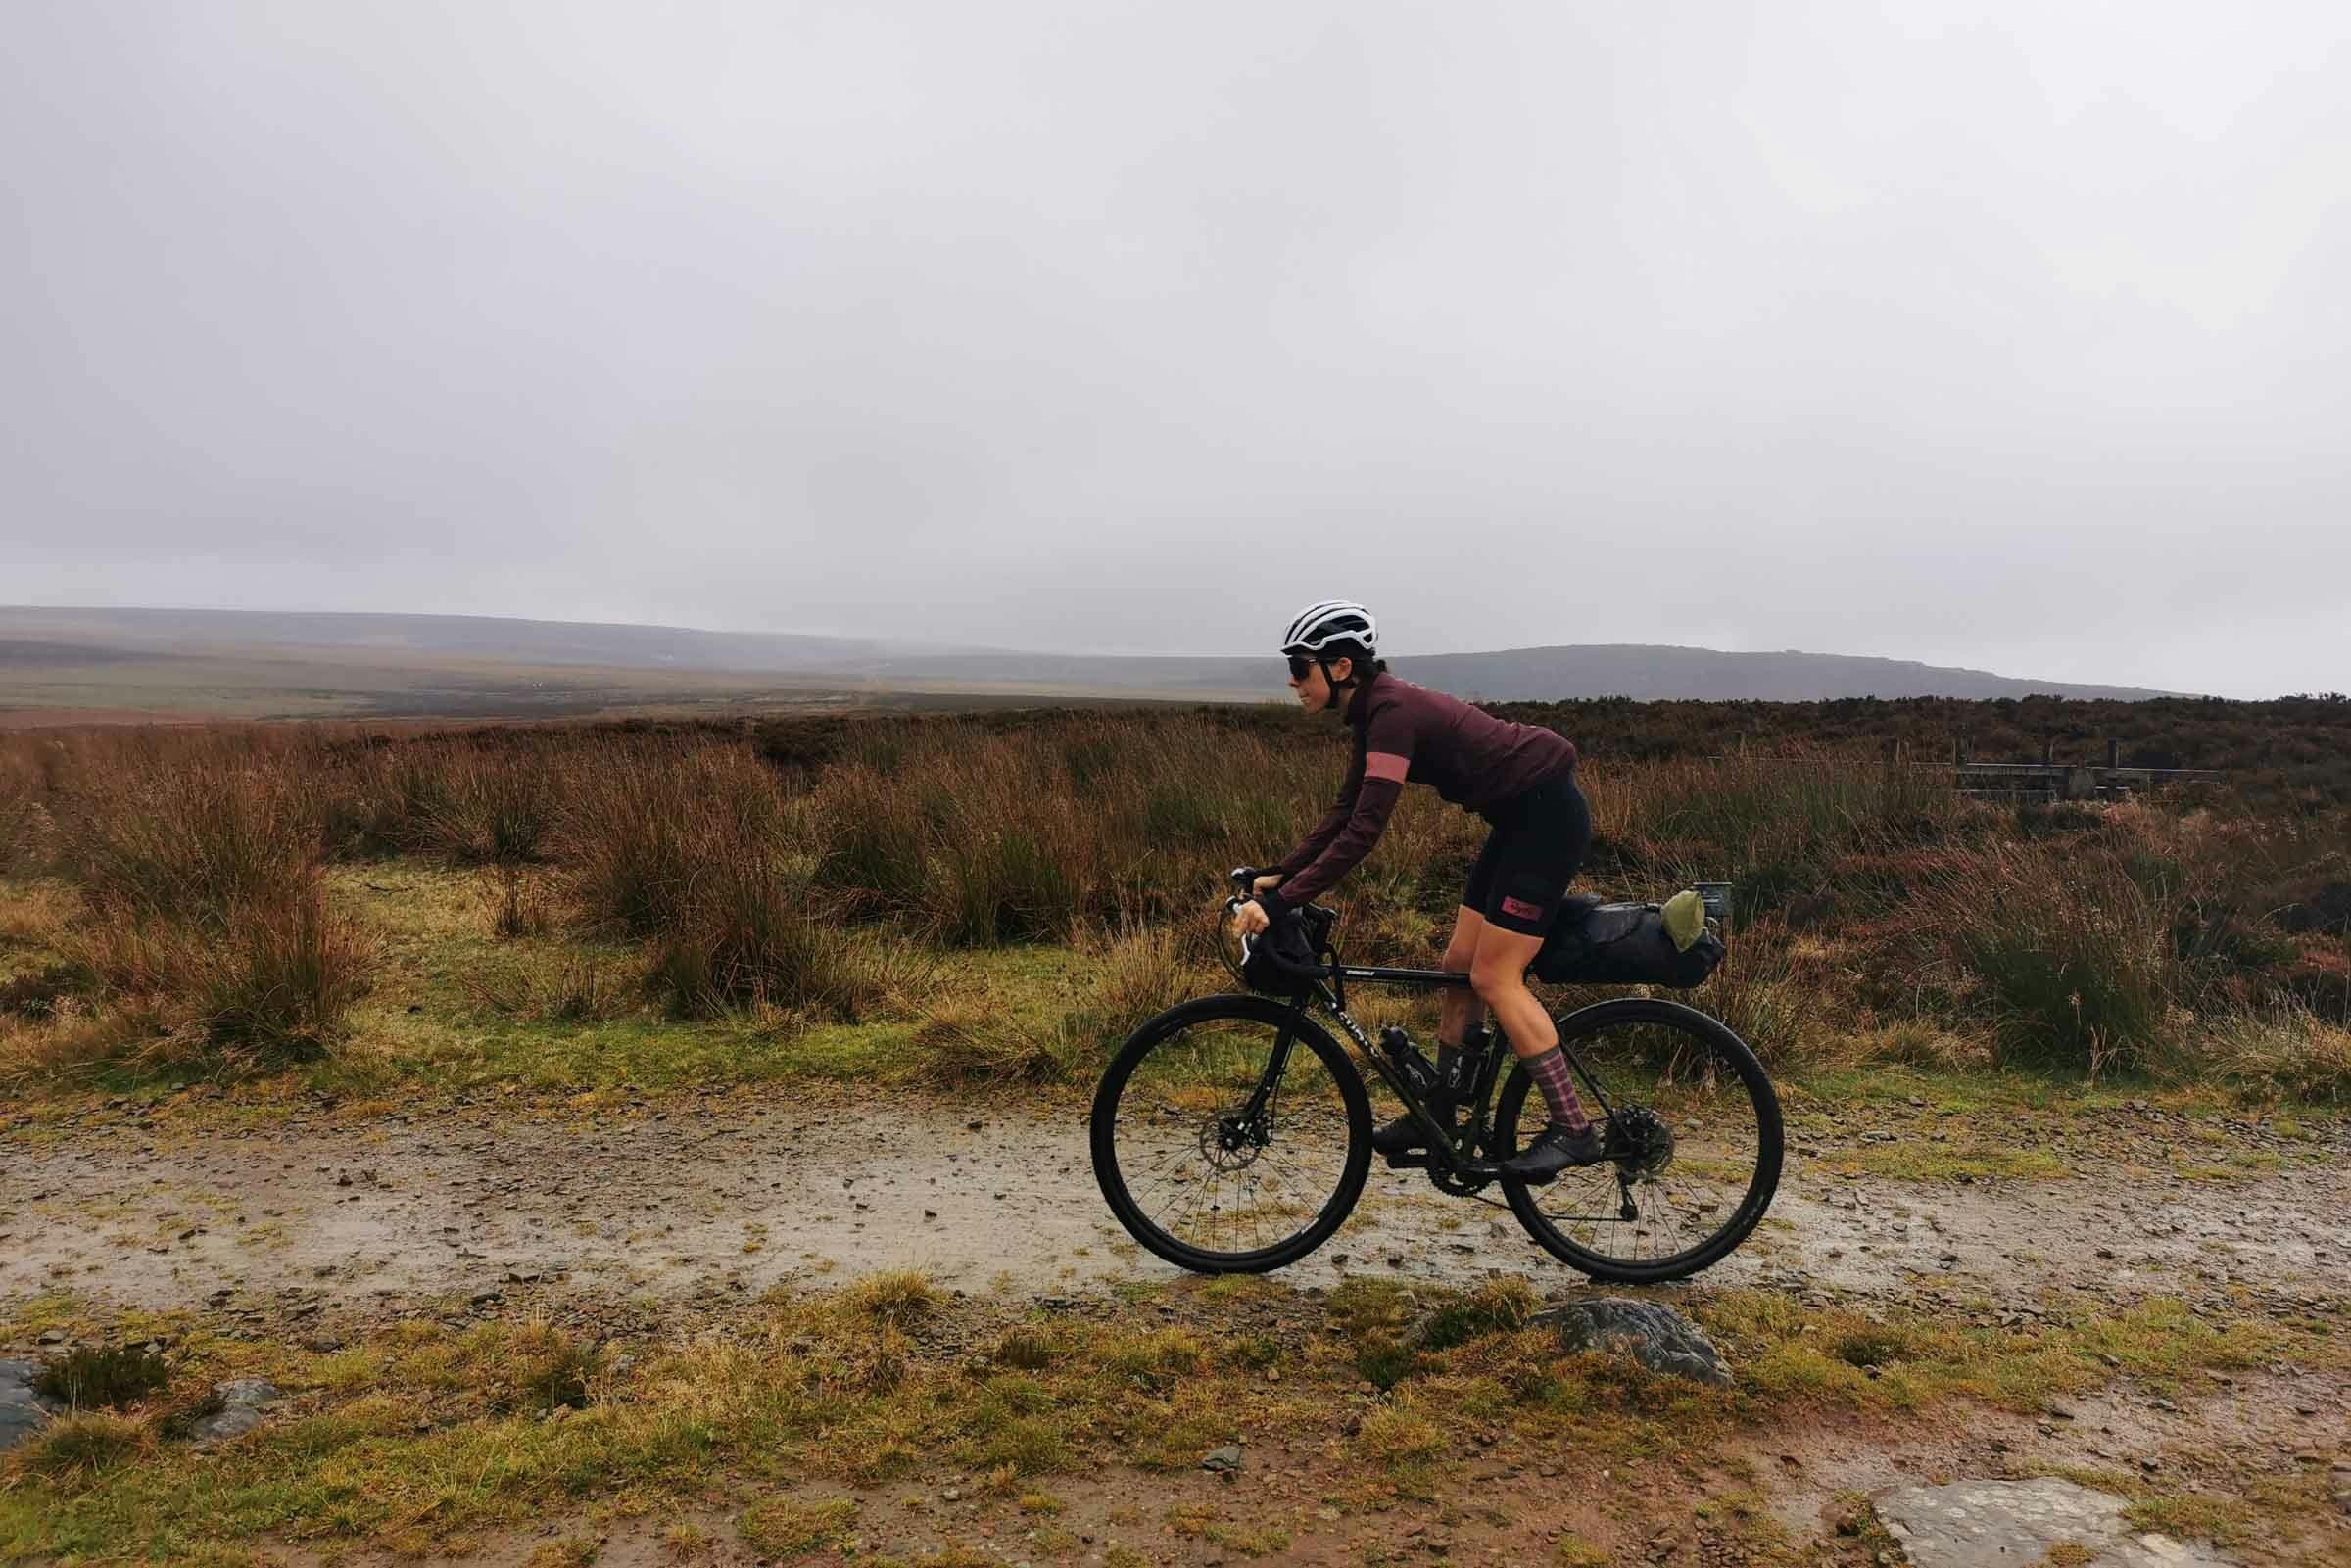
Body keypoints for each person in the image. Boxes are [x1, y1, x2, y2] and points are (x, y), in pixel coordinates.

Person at [1229, 599, 1605, 1178]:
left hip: (1547, 820)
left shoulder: (1392, 713)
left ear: (1342, 667)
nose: (1292, 681)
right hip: (1517, 822)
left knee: (1494, 976)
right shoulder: (1372, 713)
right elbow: (1344, 812)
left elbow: (1365, 831)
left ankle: (1574, 1129)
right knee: (1459, 963)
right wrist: (1281, 871)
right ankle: (1443, 1111)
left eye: (1300, 667)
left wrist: (1281, 903)